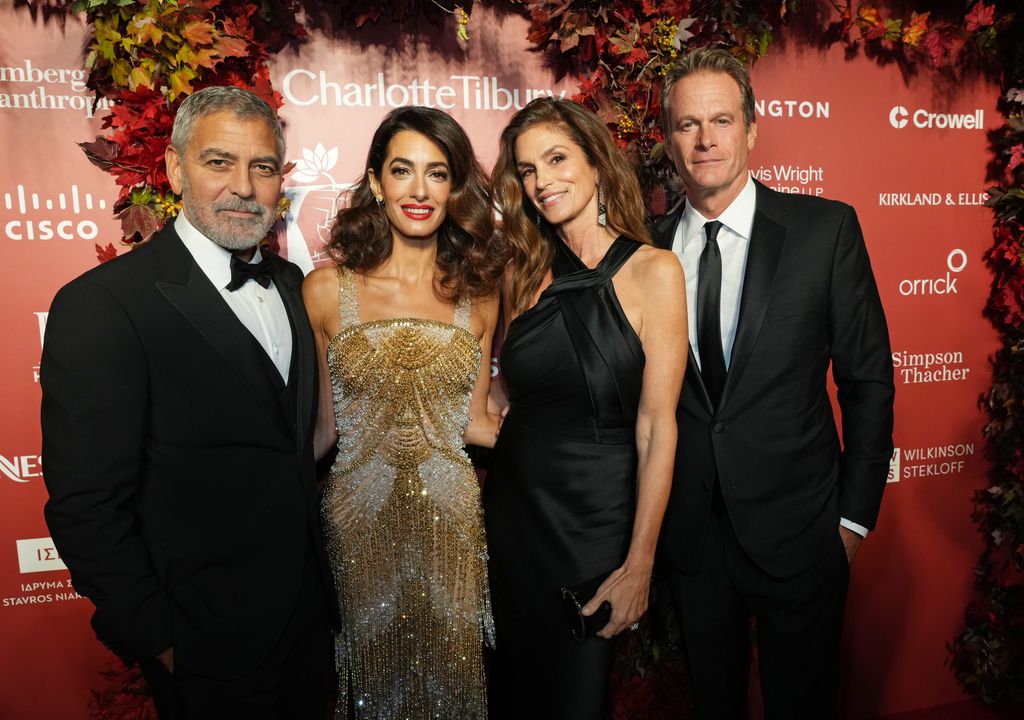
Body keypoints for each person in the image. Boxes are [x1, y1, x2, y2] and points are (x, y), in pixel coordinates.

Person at [40, 86, 334, 720]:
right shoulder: (104, 305)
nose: (245, 187)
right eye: (218, 162)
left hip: (311, 633)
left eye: (262, 167)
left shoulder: (297, 288)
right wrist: (160, 640)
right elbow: (86, 503)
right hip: (205, 645)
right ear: (175, 168)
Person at [654, 47, 896, 718]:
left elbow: (868, 379)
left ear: (752, 130)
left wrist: (851, 520)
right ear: (668, 139)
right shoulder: (644, 250)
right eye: (687, 124)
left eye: (722, 120)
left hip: (804, 530)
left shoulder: (825, 231)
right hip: (694, 541)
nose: (705, 140)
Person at [484, 97, 687, 719]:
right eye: (527, 170)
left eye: (556, 158)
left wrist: (640, 563)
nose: (542, 181)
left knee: (578, 698)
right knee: (514, 694)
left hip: (598, 526)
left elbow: (657, 428)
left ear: (597, 163)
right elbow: (502, 394)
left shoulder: (656, 271)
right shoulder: (519, 271)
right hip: (515, 520)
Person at [302, 106, 503, 720]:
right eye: (402, 170)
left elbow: (475, 422)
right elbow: (319, 431)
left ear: (456, 187)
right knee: (366, 683)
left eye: (437, 173)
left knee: (453, 686)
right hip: (357, 523)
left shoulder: (481, 294)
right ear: (375, 181)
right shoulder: (325, 290)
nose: (419, 191)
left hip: (452, 522)